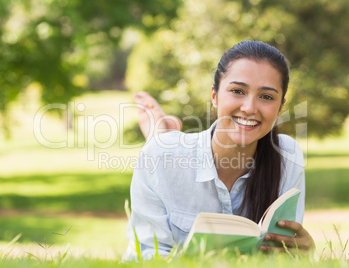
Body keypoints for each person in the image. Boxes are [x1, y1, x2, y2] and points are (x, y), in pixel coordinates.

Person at [124, 40, 315, 260]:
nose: (250, 108)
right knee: (161, 150)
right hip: (166, 156)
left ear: (280, 106)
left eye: (266, 97)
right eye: (237, 91)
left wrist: (301, 253)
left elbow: (280, 256)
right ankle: (162, 135)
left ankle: (163, 133)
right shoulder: (158, 157)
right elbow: (149, 256)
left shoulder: (287, 155)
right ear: (214, 96)